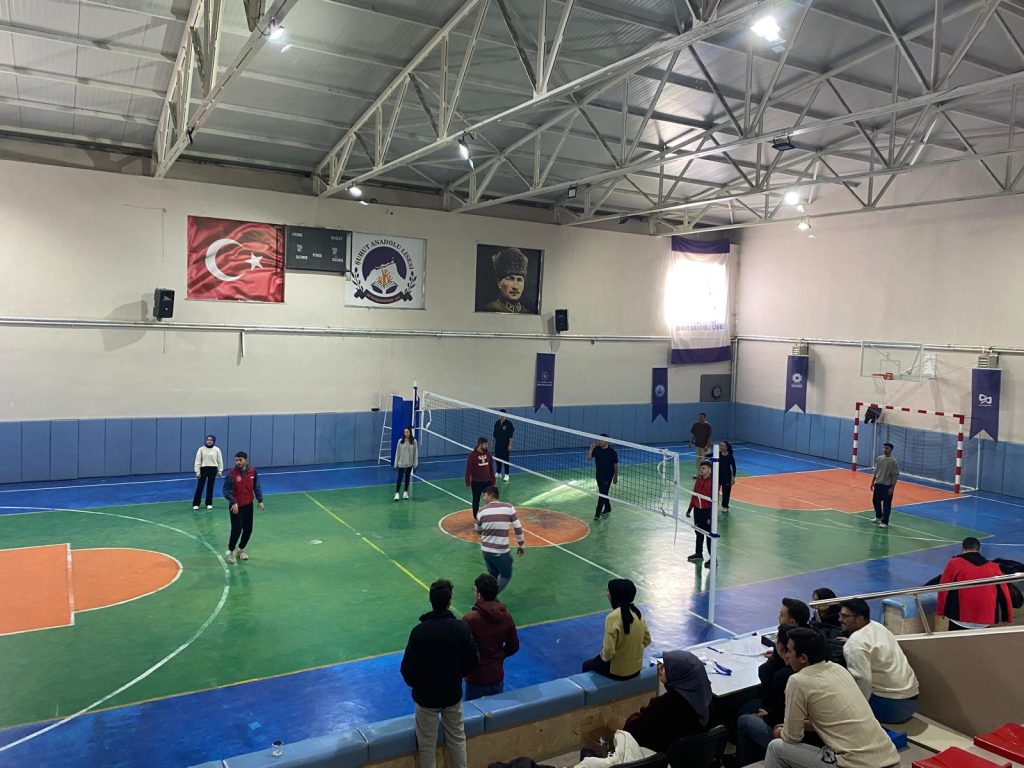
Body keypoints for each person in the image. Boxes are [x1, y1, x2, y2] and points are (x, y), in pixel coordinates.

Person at [764, 627, 900, 768]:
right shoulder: (838, 669)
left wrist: (780, 731)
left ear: (803, 658)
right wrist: (802, 725)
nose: (786, 656)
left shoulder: (797, 681)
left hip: (855, 764)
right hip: (890, 758)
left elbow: (792, 737)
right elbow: (835, 721)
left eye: (789, 651)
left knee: (775, 747)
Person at [401, 579, 479, 768]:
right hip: (452, 693)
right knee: (457, 739)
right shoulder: (461, 628)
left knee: (427, 745)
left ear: (431, 600)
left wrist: (418, 686)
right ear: (449, 601)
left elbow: (407, 668)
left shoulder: (419, 632)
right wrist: (457, 675)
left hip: (426, 697)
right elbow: (473, 660)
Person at [838, 598, 919, 723]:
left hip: (891, 708)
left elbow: (863, 681)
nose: (840, 620)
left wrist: (857, 712)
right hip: (911, 702)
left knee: (838, 693)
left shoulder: (855, 645)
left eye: (845, 616)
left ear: (860, 618)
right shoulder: (879, 627)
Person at [624, 650, 712, 753]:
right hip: (693, 755)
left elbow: (637, 734)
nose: (659, 667)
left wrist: (635, 717)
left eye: (665, 667)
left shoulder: (664, 706)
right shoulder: (706, 700)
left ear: (679, 674)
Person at [736, 624, 799, 767]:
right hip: (796, 729)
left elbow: (776, 716)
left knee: (744, 719)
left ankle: (742, 763)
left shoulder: (783, 676)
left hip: (785, 734)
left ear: (781, 647)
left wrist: (768, 716)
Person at [463, 573, 519, 700]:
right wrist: (499, 656)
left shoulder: (469, 620)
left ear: (479, 594)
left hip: (476, 676)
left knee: (472, 711)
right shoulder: (506, 616)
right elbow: (514, 646)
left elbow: (463, 649)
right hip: (496, 674)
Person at [937, 537, 1013, 630]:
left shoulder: (954, 563)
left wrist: (941, 611)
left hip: (959, 618)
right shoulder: (993, 567)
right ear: (979, 549)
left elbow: (943, 588)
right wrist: (1007, 617)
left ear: (962, 549)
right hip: (985, 618)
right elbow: (1004, 593)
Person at [581, 579, 651, 681]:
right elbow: (647, 640)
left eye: (608, 591)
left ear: (615, 595)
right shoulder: (637, 614)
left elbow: (608, 653)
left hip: (618, 672)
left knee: (587, 665)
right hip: (636, 669)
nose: (607, 594)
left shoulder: (612, 617)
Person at [476, 486, 525, 593]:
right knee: (506, 575)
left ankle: (482, 594)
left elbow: (478, 530)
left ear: (491, 495)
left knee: (492, 575)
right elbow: (518, 528)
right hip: (501, 552)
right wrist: (521, 545)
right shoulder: (509, 508)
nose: (484, 498)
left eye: (485, 495)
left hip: (486, 551)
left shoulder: (481, 511)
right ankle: (490, 596)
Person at [222, 451, 265, 564]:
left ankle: (240, 549)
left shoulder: (253, 471)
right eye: (236, 460)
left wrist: (260, 500)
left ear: (245, 460)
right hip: (235, 507)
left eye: (240, 460)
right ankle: (230, 552)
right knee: (236, 530)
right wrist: (233, 502)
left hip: (248, 505)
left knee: (248, 529)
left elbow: (256, 486)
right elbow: (226, 491)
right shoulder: (231, 474)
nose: (238, 462)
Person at [484, 248, 531, 313]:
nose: (515, 287)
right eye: (510, 279)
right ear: (498, 283)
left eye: (519, 280)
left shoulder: (526, 312)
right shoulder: (489, 309)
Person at [685, 460, 714, 567]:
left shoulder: (713, 482)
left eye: (703, 468)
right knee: (699, 533)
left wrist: (711, 515)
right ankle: (698, 554)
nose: (701, 470)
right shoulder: (699, 479)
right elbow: (694, 495)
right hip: (697, 511)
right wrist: (689, 509)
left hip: (707, 511)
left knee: (709, 535)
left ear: (709, 470)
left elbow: (714, 500)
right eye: (700, 468)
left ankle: (713, 559)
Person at [587, 434, 618, 520]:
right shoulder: (597, 449)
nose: (600, 441)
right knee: (603, 492)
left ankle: (597, 513)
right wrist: (591, 449)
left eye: (602, 440)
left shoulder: (612, 452)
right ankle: (608, 508)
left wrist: (615, 476)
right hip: (599, 475)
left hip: (608, 476)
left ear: (606, 441)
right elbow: (588, 458)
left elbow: (615, 465)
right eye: (599, 440)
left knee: (602, 494)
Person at [465, 437, 496, 521]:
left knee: (491, 499)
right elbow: (468, 470)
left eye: (487, 444)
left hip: (488, 482)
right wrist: (467, 482)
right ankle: (476, 518)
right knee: (476, 500)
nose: (486, 446)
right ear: (480, 444)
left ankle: (490, 516)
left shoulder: (488, 455)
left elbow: (491, 468)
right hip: (476, 482)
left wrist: (493, 480)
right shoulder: (472, 455)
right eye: (485, 444)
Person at [871, 442, 899, 528]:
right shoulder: (879, 459)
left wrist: (892, 488)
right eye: (884, 448)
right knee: (875, 501)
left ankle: (884, 522)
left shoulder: (893, 462)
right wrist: (872, 482)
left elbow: (895, 475)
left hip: (887, 486)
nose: (884, 449)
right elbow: (876, 471)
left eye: (887, 448)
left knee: (886, 504)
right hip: (878, 484)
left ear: (891, 450)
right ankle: (879, 516)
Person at [192, 434, 223, 510]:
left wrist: (220, 470)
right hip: (203, 469)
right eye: (208, 440)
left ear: (213, 441)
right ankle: (196, 504)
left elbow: (220, 461)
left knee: (210, 487)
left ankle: (209, 503)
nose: (209, 441)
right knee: (200, 487)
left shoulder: (217, 450)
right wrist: (197, 471)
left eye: (211, 440)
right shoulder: (201, 449)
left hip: (213, 469)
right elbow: (197, 461)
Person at [394, 427, 418, 501]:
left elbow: (415, 452)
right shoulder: (400, 441)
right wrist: (396, 463)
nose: (406, 433)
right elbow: (397, 452)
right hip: (401, 463)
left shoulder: (414, 441)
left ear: (410, 432)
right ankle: (397, 493)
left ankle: (405, 492)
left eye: (407, 432)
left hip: (409, 463)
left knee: (407, 477)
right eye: (405, 432)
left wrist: (415, 462)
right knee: (399, 478)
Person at [492, 410, 515, 482]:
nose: (502, 416)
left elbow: (510, 436)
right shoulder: (497, 423)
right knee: (497, 459)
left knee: (505, 460)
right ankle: (498, 472)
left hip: (505, 445)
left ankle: (507, 474)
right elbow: (494, 435)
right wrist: (494, 443)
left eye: (503, 415)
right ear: (499, 415)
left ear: (506, 415)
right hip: (498, 444)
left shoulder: (509, 424)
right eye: (501, 414)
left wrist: (510, 445)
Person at [718, 440, 736, 512]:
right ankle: (714, 504)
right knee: (714, 491)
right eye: (720, 445)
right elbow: (707, 456)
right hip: (718, 476)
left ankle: (725, 506)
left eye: (722, 446)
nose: (720, 447)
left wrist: (733, 477)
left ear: (726, 447)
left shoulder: (730, 456)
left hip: (727, 477)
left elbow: (734, 467)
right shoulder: (717, 454)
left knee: (726, 493)